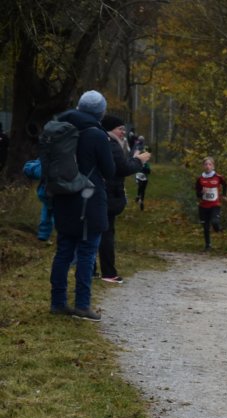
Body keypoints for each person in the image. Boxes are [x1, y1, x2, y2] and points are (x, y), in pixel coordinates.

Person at [48, 90, 116, 321]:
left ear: (78, 107)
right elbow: (109, 170)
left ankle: (58, 302)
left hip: (63, 197)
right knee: (87, 252)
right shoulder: (97, 134)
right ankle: (82, 305)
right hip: (89, 199)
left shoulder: (59, 128)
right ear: (101, 112)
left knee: (64, 251)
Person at [98, 115, 151, 284]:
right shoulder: (112, 144)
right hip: (108, 193)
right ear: (110, 129)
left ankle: (93, 270)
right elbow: (122, 168)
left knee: (95, 232)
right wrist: (139, 161)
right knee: (106, 233)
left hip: (102, 192)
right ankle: (108, 273)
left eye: (124, 129)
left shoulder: (104, 141)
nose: (123, 132)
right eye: (120, 129)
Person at [195, 156, 227, 250]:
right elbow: (197, 194)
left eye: (210, 164)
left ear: (213, 166)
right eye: (206, 164)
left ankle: (218, 229)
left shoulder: (218, 177)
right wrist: (202, 192)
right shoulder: (200, 178)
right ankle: (208, 245)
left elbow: (225, 184)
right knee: (205, 227)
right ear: (203, 166)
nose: (208, 166)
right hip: (203, 206)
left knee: (215, 222)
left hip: (215, 205)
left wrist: (224, 195)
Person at [23, 158, 54, 242]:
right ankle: (44, 234)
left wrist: (29, 166)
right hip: (66, 192)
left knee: (48, 209)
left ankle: (44, 234)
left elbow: (36, 172)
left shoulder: (50, 154)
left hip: (49, 192)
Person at [134, 136, 150, 210]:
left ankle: (138, 196)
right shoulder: (145, 148)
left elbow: (134, 157)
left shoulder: (137, 148)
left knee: (140, 186)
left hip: (139, 171)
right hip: (144, 171)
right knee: (143, 188)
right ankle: (141, 199)